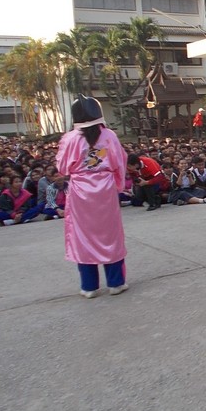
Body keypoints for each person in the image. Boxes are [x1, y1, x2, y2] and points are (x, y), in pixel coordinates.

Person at [56, 95, 129, 298]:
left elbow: (62, 167)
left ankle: (89, 287)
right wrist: (118, 185)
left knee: (82, 236)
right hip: (105, 189)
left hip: (80, 191)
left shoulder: (70, 138)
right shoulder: (109, 136)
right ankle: (115, 283)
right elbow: (119, 162)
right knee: (110, 234)